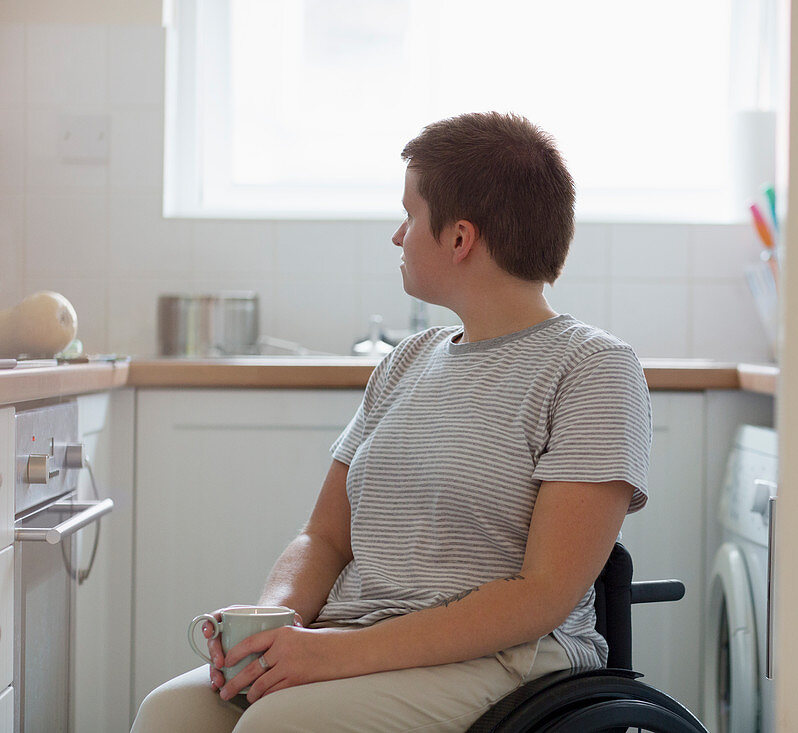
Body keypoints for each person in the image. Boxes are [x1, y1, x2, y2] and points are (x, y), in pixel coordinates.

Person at [131, 111, 652, 733]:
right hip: (356, 638)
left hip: (511, 659)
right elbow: (324, 538)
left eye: (410, 215)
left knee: (282, 724)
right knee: (172, 715)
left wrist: (337, 654)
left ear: (460, 239)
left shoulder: (594, 369)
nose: (398, 236)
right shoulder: (408, 360)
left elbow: (542, 595)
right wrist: (272, 624)